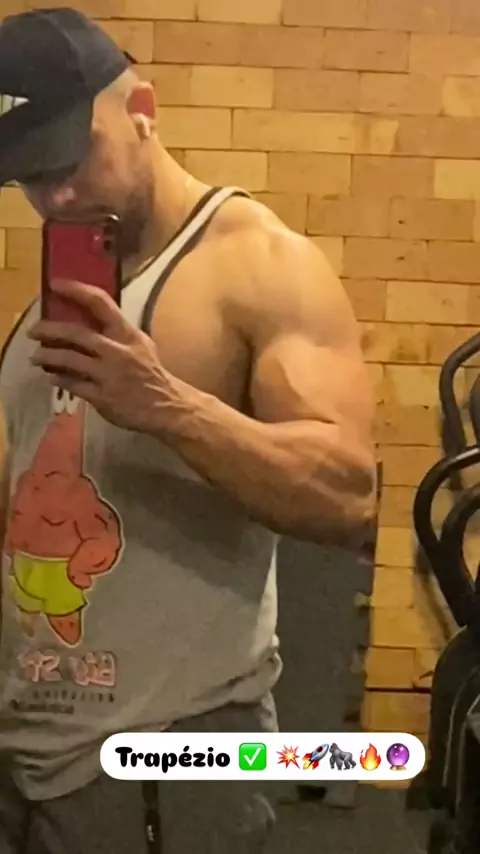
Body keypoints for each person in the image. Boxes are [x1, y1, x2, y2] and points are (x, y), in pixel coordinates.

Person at [0, 7, 376, 854]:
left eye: (69, 160)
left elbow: (346, 492)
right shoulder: (58, 298)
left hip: (168, 758)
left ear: (143, 109)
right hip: (27, 752)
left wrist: (166, 404)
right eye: (29, 178)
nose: (55, 197)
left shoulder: (260, 264)